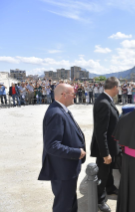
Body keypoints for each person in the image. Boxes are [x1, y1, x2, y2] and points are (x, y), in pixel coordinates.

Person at [38, 83, 86, 212]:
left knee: (70, 202)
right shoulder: (56, 113)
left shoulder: (61, 110)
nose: (75, 96)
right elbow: (52, 146)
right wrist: (76, 152)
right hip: (63, 170)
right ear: (63, 95)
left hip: (67, 169)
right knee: (63, 206)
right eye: (73, 94)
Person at [90, 77, 120, 212]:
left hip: (110, 144)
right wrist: (105, 153)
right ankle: (100, 200)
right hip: (105, 147)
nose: (119, 90)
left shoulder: (107, 99)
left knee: (108, 170)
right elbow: (101, 131)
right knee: (102, 172)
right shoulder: (103, 102)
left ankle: (110, 188)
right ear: (114, 87)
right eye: (118, 87)